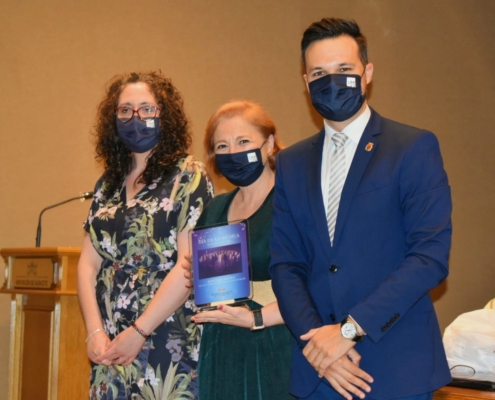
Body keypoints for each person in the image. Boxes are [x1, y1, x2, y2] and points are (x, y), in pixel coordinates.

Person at [269, 18, 452, 400]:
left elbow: (429, 257)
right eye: (319, 73)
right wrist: (319, 343)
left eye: (344, 70)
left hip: (396, 368)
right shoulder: (291, 163)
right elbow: (286, 264)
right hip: (318, 370)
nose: (330, 81)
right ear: (305, 82)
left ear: (367, 73)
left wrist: (347, 331)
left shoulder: (412, 148)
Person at [77, 71, 213, 399]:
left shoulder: (189, 176)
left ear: (165, 115)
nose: (135, 118)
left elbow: (187, 266)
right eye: (125, 110)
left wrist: (139, 332)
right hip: (109, 347)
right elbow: (87, 266)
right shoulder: (107, 184)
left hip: (167, 342)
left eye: (146, 109)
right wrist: (94, 332)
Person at [189, 101, 294, 399]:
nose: (232, 152)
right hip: (221, 344)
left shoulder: (293, 203)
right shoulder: (215, 209)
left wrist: (256, 319)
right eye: (222, 145)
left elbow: (314, 285)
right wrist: (195, 275)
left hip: (274, 340)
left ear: (269, 143)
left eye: (243, 141)